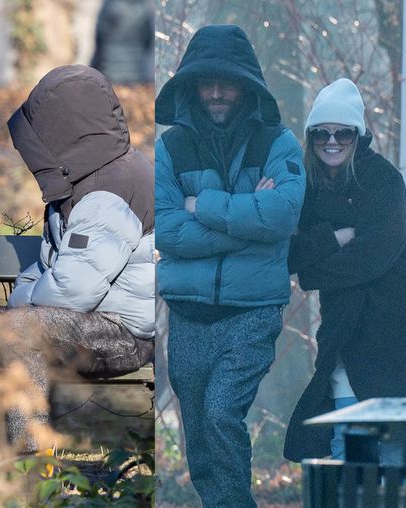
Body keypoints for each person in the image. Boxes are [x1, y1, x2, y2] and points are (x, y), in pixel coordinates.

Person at [0, 64, 155, 453]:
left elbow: (71, 290)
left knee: (19, 331)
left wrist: (23, 298)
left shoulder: (108, 190)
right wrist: (29, 295)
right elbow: (52, 268)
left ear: (63, 132)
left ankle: (31, 470)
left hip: (123, 334)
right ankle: (1, 463)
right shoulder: (78, 185)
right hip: (79, 322)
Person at [155, 24, 305, 507]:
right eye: (207, 82)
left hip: (252, 310)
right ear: (191, 86)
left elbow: (283, 214)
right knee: (199, 432)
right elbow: (169, 229)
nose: (217, 92)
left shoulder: (277, 143)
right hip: (189, 311)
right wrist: (245, 216)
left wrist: (205, 205)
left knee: (222, 413)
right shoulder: (172, 146)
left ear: (247, 85)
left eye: (227, 82)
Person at [284, 78, 406, 462]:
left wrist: (315, 267)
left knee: (405, 451)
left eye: (343, 133)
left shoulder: (383, 179)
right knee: (347, 446)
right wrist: (334, 238)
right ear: (311, 138)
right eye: (322, 133)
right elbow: (291, 256)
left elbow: (373, 257)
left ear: (358, 136)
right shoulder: (309, 187)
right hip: (347, 329)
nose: (332, 141)